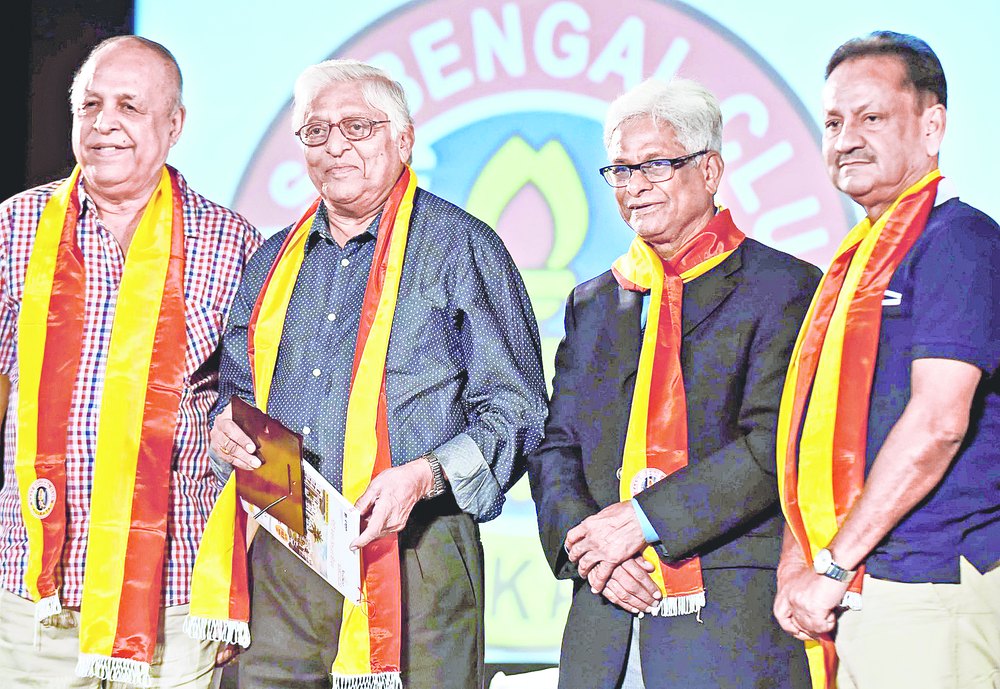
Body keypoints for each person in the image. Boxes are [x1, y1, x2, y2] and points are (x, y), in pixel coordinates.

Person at [203, 59, 547, 689]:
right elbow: (237, 387)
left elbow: (518, 407)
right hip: (286, 539)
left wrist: (427, 474)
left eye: (357, 127)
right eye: (316, 131)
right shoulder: (271, 260)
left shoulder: (460, 246)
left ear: (404, 139)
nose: (335, 146)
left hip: (416, 548)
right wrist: (225, 421)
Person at [527, 77, 820, 689]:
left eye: (655, 165)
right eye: (621, 170)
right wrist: (592, 554)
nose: (634, 188)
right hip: (605, 616)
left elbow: (774, 444)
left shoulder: (783, 286)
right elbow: (556, 448)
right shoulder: (598, 301)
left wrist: (641, 522)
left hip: (728, 621)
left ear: (710, 171)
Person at [0, 36, 261, 687]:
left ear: (174, 126)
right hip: (34, 597)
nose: (103, 123)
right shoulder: (14, 227)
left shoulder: (233, 243)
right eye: (89, 105)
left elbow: (266, 421)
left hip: (174, 603)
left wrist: (238, 586)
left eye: (128, 106)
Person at [774, 31, 1000, 689]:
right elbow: (811, 437)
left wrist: (833, 567)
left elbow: (938, 424)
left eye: (872, 117)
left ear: (932, 126)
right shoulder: (855, 261)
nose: (846, 138)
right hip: (861, 586)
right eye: (834, 121)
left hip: (926, 586)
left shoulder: (958, 242)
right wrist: (800, 562)